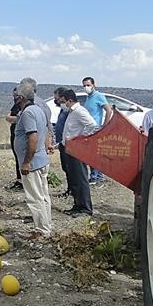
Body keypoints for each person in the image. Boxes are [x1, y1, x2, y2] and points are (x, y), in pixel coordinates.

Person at [13, 82, 52, 237]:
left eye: (15, 96)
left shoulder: (28, 113)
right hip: (41, 160)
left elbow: (33, 137)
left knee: (35, 197)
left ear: (20, 98)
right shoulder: (38, 110)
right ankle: (46, 227)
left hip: (33, 164)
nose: (14, 98)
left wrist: (27, 162)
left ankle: (41, 230)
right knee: (43, 196)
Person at [58, 88, 97, 216]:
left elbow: (92, 124)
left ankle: (85, 207)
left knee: (80, 178)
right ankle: (77, 205)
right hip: (69, 148)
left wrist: (80, 138)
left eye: (64, 102)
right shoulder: (71, 112)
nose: (63, 104)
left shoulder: (80, 111)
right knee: (74, 179)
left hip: (77, 149)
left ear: (70, 100)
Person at [82, 76, 112, 183]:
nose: (86, 87)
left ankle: (96, 177)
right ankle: (96, 176)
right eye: (84, 86)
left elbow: (108, 110)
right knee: (91, 153)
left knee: (93, 154)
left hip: (95, 128)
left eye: (88, 85)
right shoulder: (88, 98)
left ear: (94, 85)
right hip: (89, 128)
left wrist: (105, 126)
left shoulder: (99, 96)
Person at [53, 88, 71, 197]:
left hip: (68, 144)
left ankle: (72, 190)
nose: (56, 101)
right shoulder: (63, 110)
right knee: (65, 167)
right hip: (62, 143)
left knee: (69, 168)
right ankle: (70, 188)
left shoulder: (69, 111)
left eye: (57, 98)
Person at [4, 87, 23, 190]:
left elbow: (15, 118)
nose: (14, 97)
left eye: (15, 95)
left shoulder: (25, 106)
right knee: (17, 157)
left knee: (21, 158)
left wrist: (13, 118)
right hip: (14, 134)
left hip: (20, 136)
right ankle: (19, 179)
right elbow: (8, 117)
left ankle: (23, 181)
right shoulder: (16, 106)